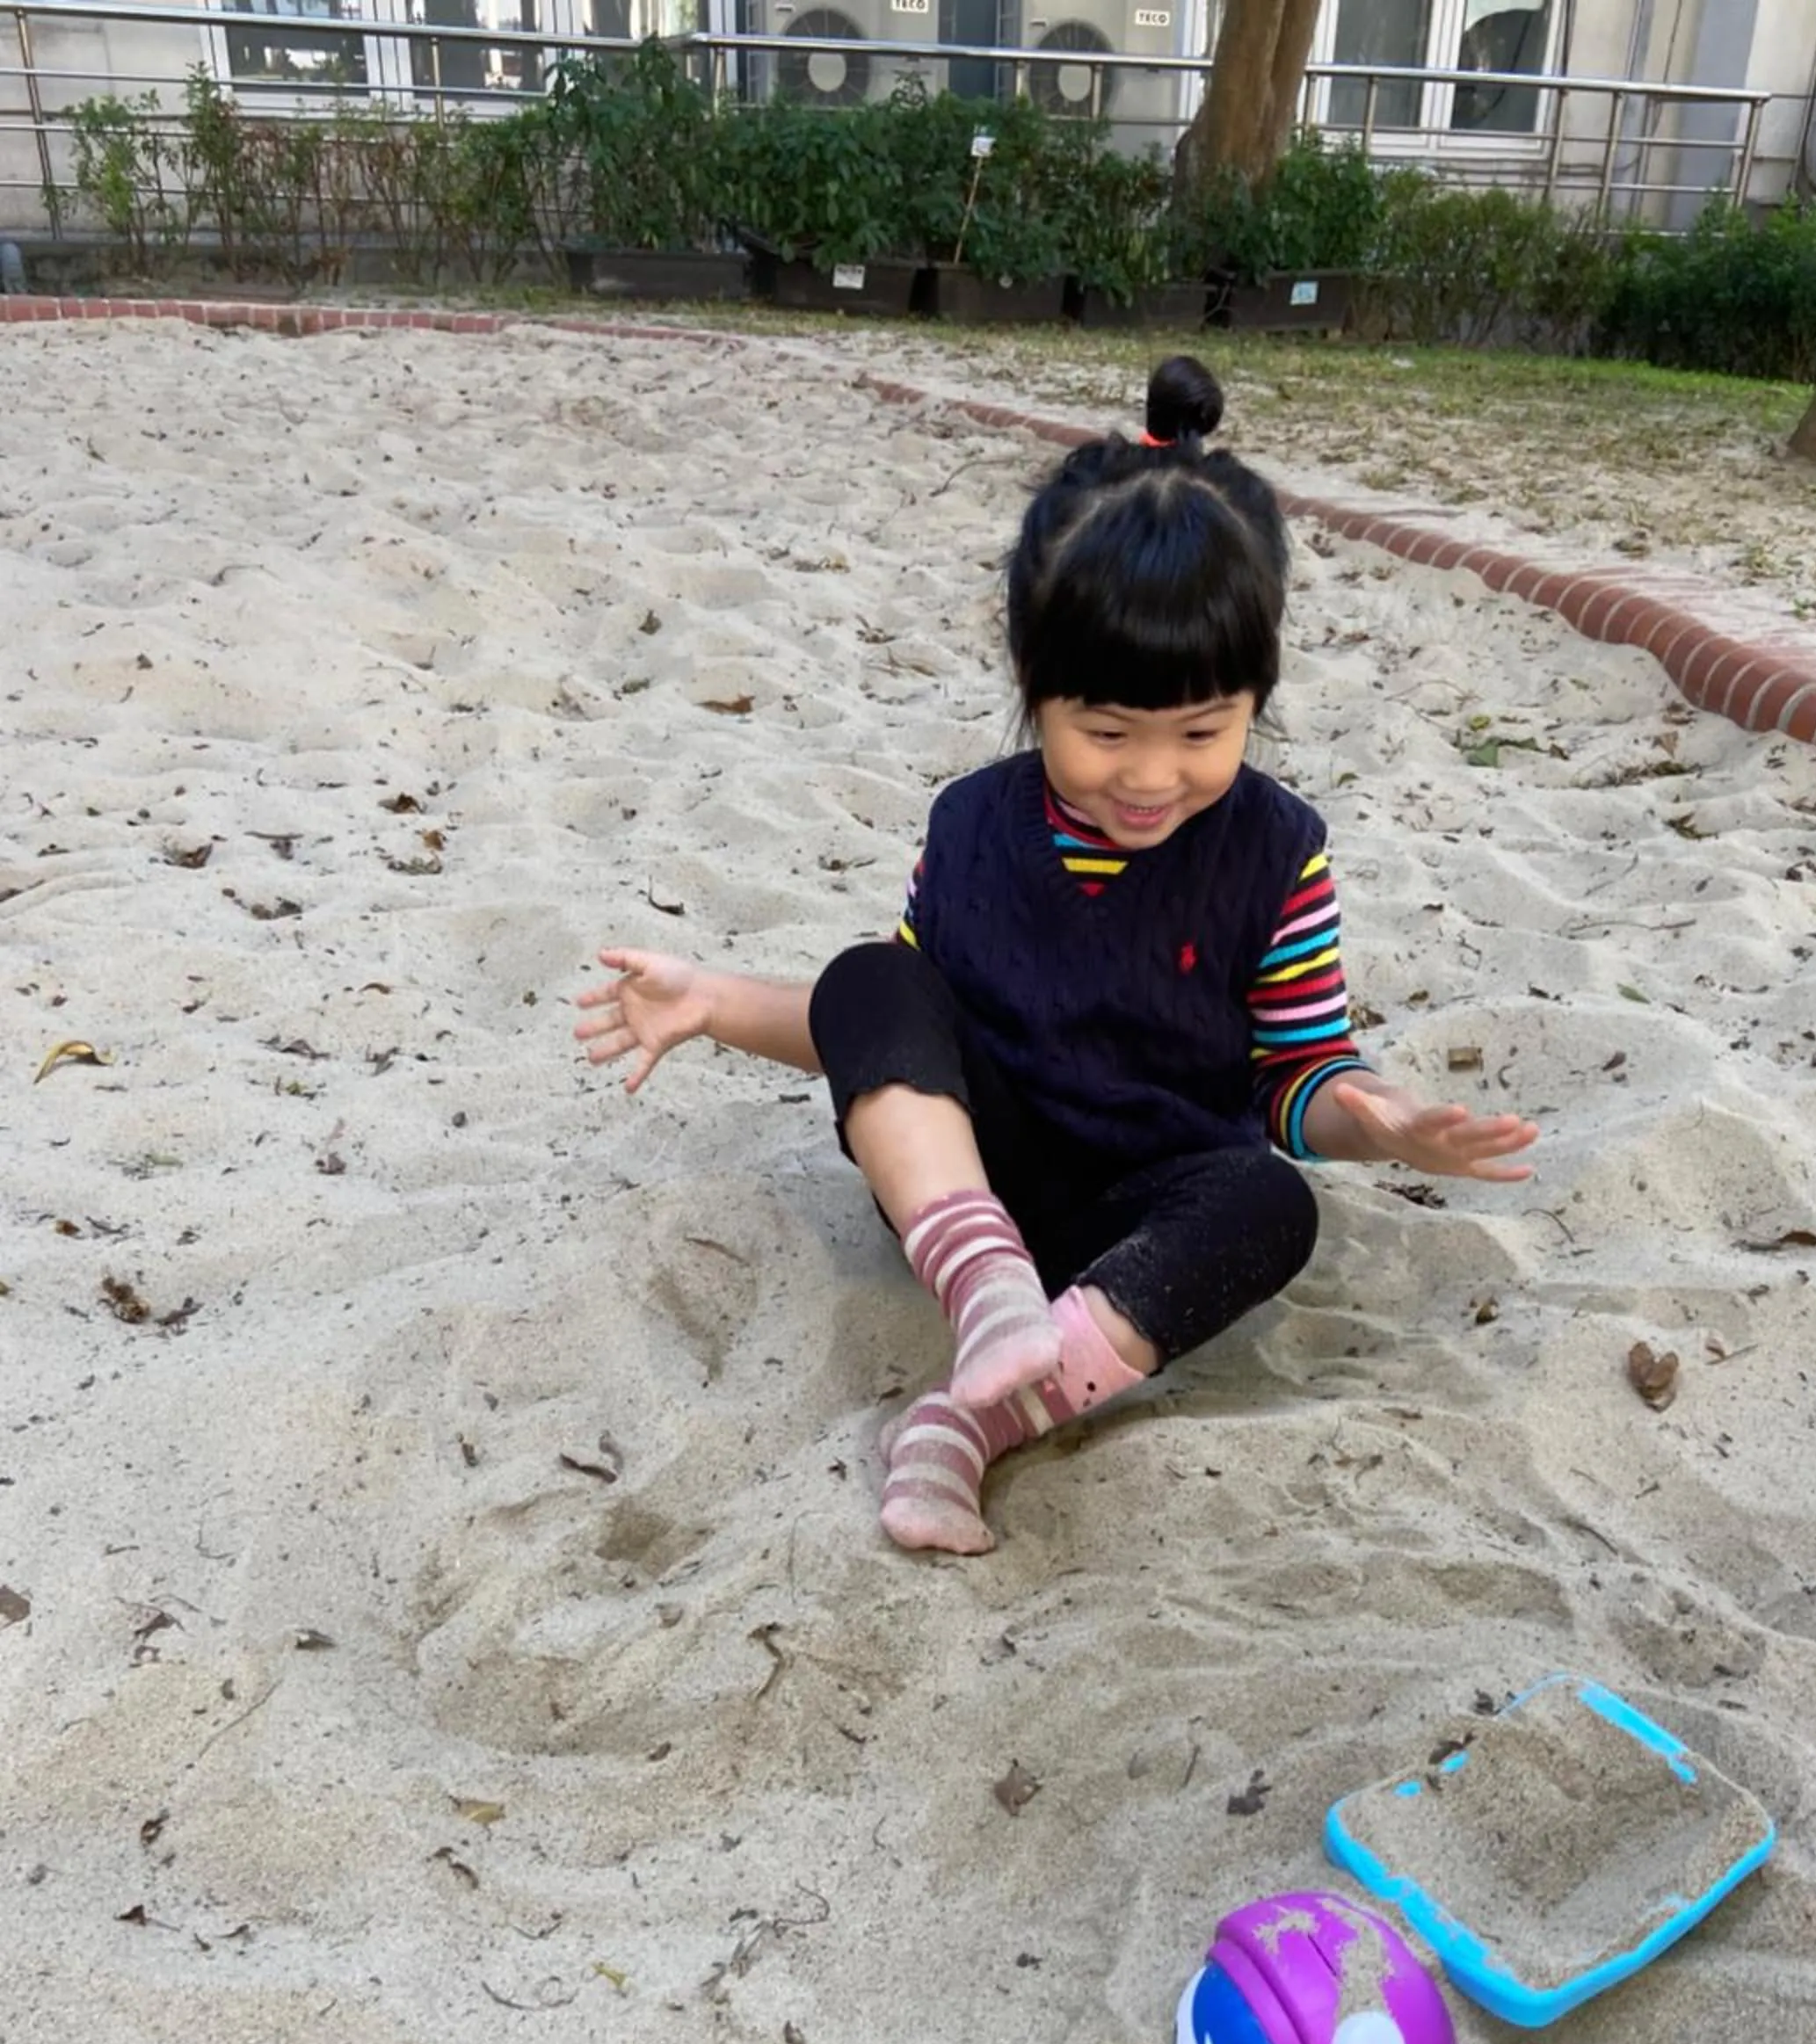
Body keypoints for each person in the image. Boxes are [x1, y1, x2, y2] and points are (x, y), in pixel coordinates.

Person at [576, 357, 1536, 1557]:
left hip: (1138, 1225)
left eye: (1201, 732)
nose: (1149, 777)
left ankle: (974, 1423)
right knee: (871, 974)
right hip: (967, 1188)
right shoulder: (974, 826)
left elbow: (1293, 1078)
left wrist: (1375, 1117)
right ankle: (985, 1300)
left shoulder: (1276, 854)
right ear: (1033, 696)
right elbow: (891, 1034)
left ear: (1254, 701)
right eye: (1104, 733)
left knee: (1271, 1203)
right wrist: (714, 1001)